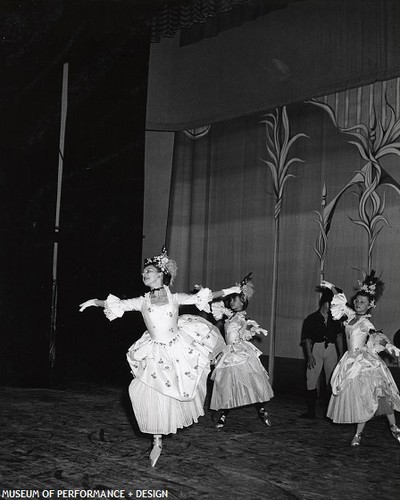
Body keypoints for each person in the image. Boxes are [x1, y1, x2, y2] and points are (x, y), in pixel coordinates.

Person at [79, 247, 240, 466]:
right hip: (154, 350)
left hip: (177, 348)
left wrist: (232, 289)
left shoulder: (174, 298)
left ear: (160, 274)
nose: (144, 275)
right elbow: (120, 305)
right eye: (143, 272)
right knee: (141, 390)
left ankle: (158, 439)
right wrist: (94, 302)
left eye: (149, 271)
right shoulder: (143, 301)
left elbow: (206, 296)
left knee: (174, 392)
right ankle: (157, 440)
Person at [321, 271, 400, 447]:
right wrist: (332, 288)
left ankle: (394, 427)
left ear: (370, 305)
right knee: (360, 399)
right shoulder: (350, 317)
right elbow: (341, 304)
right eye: (356, 301)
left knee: (379, 395)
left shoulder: (366, 323)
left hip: (364, 361)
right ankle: (358, 434)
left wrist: (389, 347)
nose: (358, 304)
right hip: (349, 360)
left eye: (362, 302)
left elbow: (377, 336)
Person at [209, 273, 274, 429]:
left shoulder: (241, 318)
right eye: (231, 299)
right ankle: (224, 414)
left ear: (243, 301)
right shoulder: (231, 316)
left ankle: (261, 409)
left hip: (239, 352)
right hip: (228, 352)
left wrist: (252, 329)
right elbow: (215, 305)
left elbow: (246, 326)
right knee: (227, 384)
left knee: (249, 383)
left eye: (235, 299)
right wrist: (203, 294)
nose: (231, 301)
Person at [299, 287, 344, 418]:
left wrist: (341, 355)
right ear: (325, 303)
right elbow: (306, 339)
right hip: (316, 349)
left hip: (331, 349)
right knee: (311, 379)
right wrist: (309, 356)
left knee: (331, 381)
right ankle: (311, 412)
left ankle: (330, 413)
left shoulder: (335, 319)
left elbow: (339, 336)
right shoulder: (311, 319)